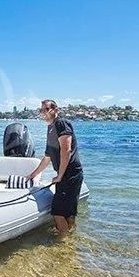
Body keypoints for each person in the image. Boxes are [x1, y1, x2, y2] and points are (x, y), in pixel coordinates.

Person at [26, 99, 84, 235]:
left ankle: (63, 243)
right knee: (68, 213)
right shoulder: (50, 128)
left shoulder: (61, 124)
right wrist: (33, 175)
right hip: (66, 175)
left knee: (58, 212)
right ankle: (70, 238)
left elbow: (66, 150)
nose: (43, 112)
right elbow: (47, 157)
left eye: (47, 109)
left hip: (70, 174)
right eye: (41, 110)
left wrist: (60, 176)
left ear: (55, 110)